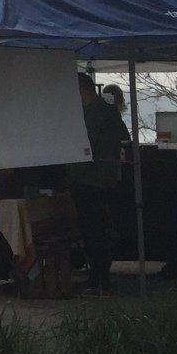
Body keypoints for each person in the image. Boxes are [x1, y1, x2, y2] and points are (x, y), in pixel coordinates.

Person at [68, 71, 130, 294]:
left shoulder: (93, 113)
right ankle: (100, 276)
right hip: (107, 177)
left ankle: (97, 278)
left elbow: (87, 147)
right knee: (100, 229)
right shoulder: (109, 111)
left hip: (90, 179)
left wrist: (72, 176)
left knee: (92, 230)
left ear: (81, 89)